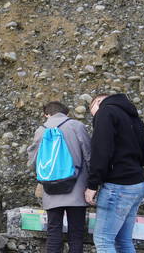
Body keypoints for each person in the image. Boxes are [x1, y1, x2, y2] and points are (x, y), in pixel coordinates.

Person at [84, 94, 144, 253]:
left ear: (98, 101)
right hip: (137, 184)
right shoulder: (133, 117)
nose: (94, 117)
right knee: (123, 241)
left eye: (92, 112)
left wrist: (92, 185)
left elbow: (101, 151)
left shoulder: (105, 112)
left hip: (118, 187)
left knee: (103, 240)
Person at [27, 102, 91, 253]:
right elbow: (89, 155)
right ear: (66, 113)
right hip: (77, 188)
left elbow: (32, 161)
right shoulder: (77, 126)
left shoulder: (41, 130)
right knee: (76, 234)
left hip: (51, 189)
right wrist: (93, 183)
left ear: (46, 114)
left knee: (53, 232)